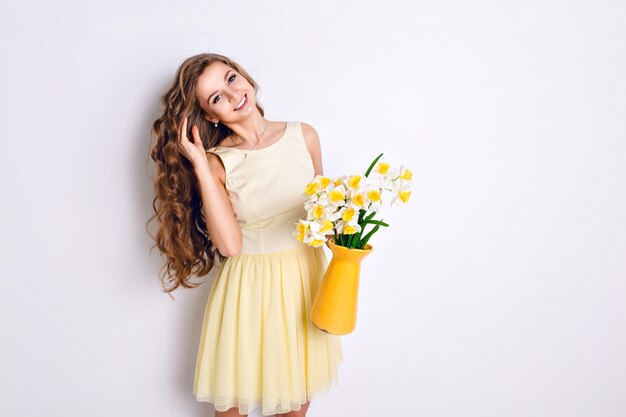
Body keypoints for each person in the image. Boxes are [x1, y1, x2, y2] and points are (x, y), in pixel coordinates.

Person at [148, 52, 343, 416]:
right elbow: (230, 245)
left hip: (303, 284)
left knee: (294, 405)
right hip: (248, 291)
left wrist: (350, 242)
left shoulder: (305, 136)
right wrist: (200, 164)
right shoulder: (217, 162)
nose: (233, 94)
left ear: (244, 76)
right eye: (216, 97)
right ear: (210, 115)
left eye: (231, 78)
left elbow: (323, 220)